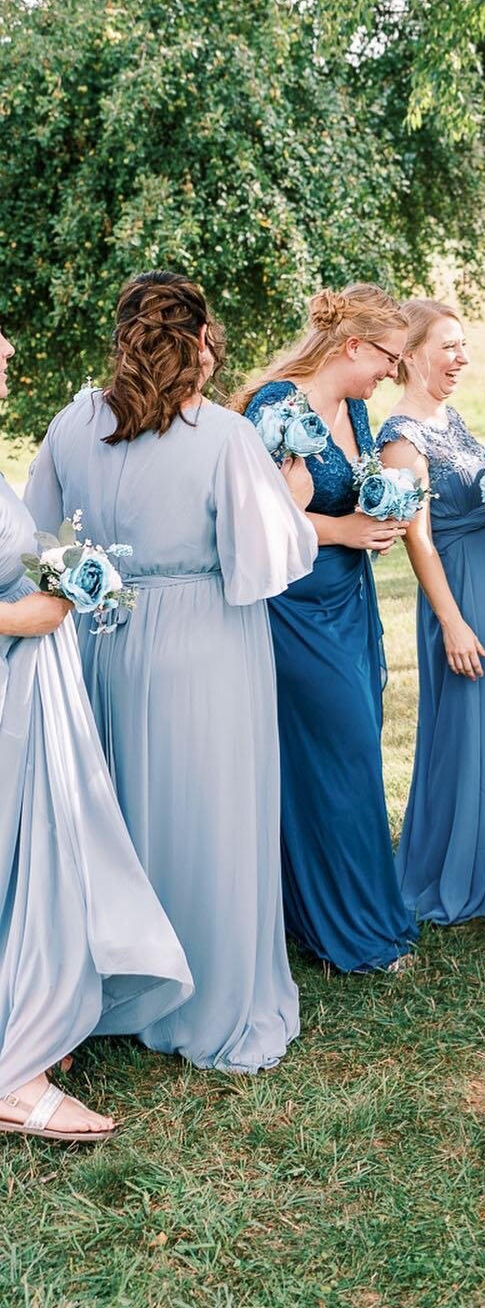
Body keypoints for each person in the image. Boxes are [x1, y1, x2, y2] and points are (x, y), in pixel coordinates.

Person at [25, 273, 314, 1072]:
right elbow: (266, 561)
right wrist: (292, 496)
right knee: (208, 814)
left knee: (112, 808)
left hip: (98, 635)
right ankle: (207, 998)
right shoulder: (223, 435)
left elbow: (35, 535)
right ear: (200, 341)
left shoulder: (73, 422)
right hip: (205, 641)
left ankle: (115, 987)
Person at [0, 323, 192, 1142]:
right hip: (14, 666)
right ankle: (15, 1077)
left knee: (35, 851)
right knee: (26, 848)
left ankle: (25, 1019)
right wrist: (23, 613)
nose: (11, 351)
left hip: (32, 679)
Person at [237, 285, 418, 975]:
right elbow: (257, 516)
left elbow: (355, 487)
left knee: (349, 753)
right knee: (341, 756)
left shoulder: (357, 407)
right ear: (351, 346)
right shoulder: (274, 406)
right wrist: (343, 528)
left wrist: (382, 513)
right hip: (294, 605)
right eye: (388, 359)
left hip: (350, 597)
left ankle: (328, 914)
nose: (390, 374)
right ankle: (356, 933)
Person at [377, 299, 485, 924]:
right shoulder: (402, 438)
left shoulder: (449, 418)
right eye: (449, 346)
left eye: (464, 345)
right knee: (475, 729)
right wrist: (452, 621)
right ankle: (464, 868)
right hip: (465, 592)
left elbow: (474, 492)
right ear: (410, 355)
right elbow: (418, 536)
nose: (461, 358)